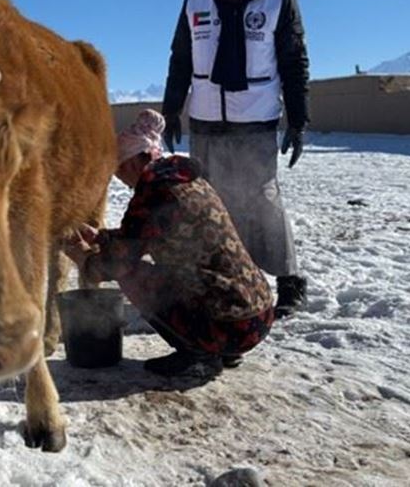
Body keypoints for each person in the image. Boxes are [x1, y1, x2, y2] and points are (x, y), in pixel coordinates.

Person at [160, 0, 310, 319]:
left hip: (256, 118)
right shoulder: (195, 1)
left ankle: (289, 280)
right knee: (211, 202)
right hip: (207, 119)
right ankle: (221, 277)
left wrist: (298, 119)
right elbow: (181, 58)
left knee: (261, 199)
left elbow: (294, 62)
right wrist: (171, 109)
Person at [64, 110, 275, 378]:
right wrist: (102, 237)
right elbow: (144, 234)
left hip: (228, 324)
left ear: (130, 164)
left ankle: (200, 354)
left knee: (132, 274)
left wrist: (85, 258)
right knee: (185, 277)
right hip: (256, 315)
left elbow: (117, 263)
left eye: (117, 170)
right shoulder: (186, 181)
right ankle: (222, 349)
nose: (119, 179)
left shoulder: (153, 193)